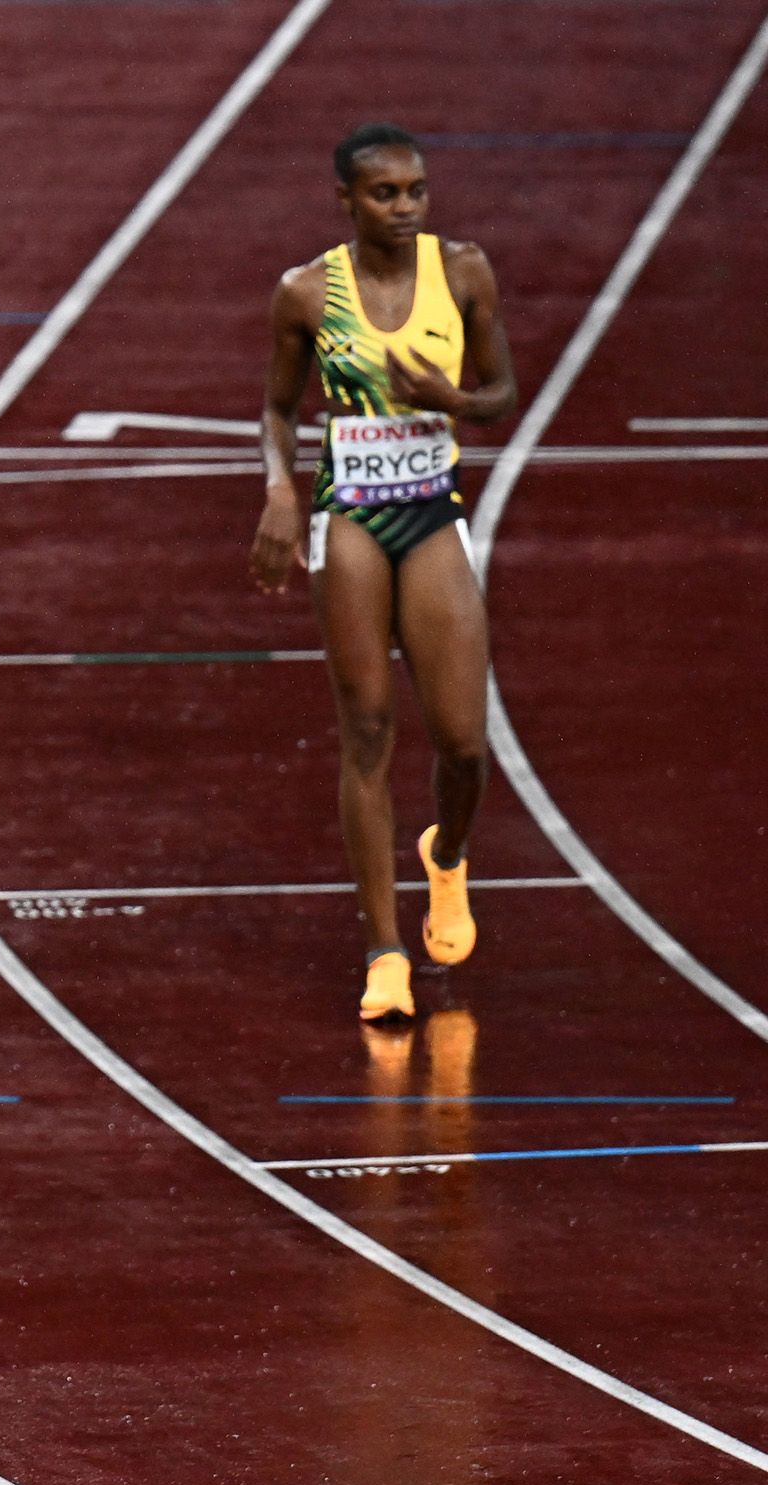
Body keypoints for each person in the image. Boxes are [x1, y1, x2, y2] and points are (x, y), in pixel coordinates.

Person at [252, 124, 518, 1021]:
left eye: (416, 192)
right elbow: (279, 408)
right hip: (353, 513)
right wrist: (282, 496)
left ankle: (447, 856)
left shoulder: (465, 273)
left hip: (432, 507)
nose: (404, 209)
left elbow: (501, 394)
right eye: (384, 195)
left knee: (464, 745)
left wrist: (453, 402)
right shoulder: (305, 293)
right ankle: (384, 951)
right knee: (366, 730)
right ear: (346, 201)